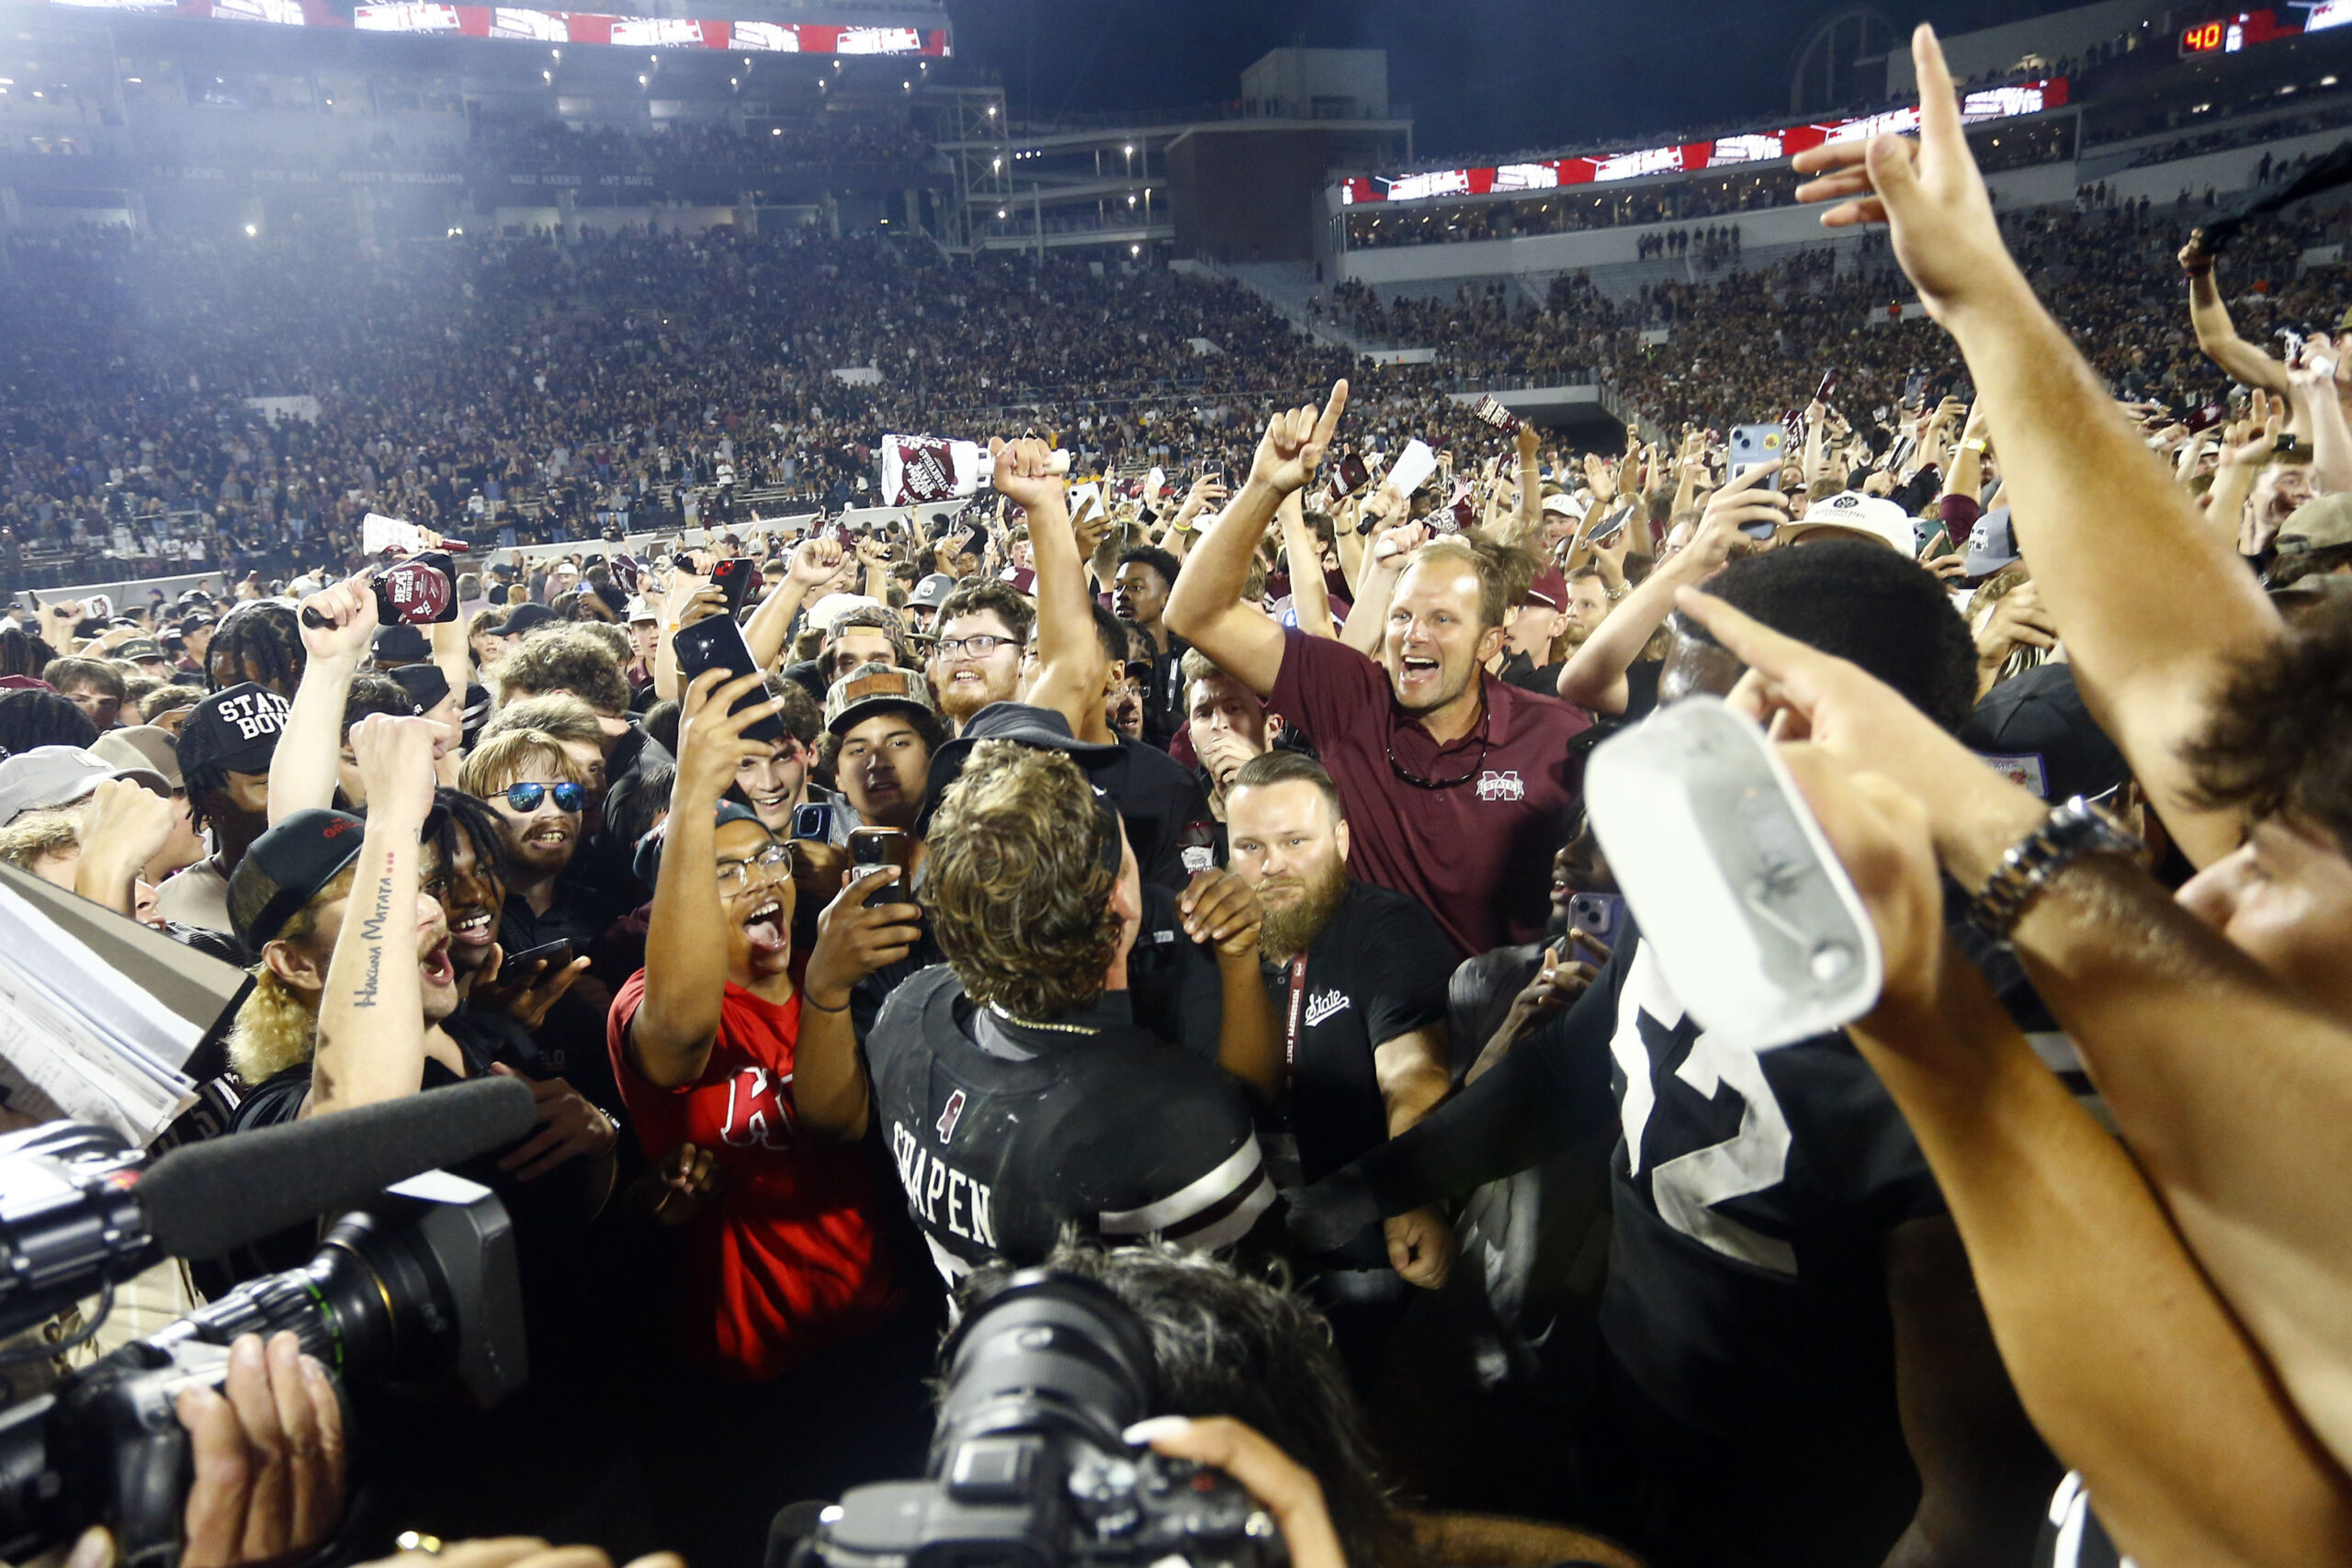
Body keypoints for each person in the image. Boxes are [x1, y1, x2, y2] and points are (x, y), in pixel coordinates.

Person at [1293, 541, 2052, 1568]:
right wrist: (1372, 1189)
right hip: (1626, 1416)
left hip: (1794, 1518)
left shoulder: (1983, 1032)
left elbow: (1975, 1511)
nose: (1655, 748)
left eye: (1689, 722)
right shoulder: (1725, 864)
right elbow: (1570, 1066)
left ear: (1792, 724)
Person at [607, 666, 931, 1568]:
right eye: (723, 871)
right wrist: (694, 792)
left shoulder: (840, 970)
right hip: (749, 1375)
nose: (757, 880)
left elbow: (844, 1128)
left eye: (763, 859)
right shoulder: (650, 1005)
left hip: (880, 1334)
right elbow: (673, 1033)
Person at [1166, 385, 1593, 958]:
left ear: (1492, 642)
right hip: (1368, 1030)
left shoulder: (1556, 738)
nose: (1414, 634)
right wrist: (1265, 489)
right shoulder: (1349, 696)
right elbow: (1195, 613)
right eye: (1401, 616)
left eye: (1443, 618)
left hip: (1507, 1028)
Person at [864, 741, 1278, 1282]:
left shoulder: (905, 1010)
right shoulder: (1173, 1122)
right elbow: (1241, 1331)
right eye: (1131, 864)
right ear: (1122, 904)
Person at [1224, 751, 1455, 1295]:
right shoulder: (1219, 941)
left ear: (1343, 841)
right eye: (1250, 847)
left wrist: (1411, 1192)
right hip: (1235, 1238)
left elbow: (1413, 1075)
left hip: (1355, 1240)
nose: (1272, 865)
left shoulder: (1387, 929)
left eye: (1295, 841)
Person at [157, 682, 292, 939]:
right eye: (267, 783)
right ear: (209, 800)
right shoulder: (170, 912)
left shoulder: (364, 878)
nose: (298, 794)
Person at [928, 581, 1034, 734]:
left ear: (1023, 657)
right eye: (949, 645)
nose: (960, 656)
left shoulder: (1051, 751)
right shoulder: (924, 747)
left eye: (981, 642)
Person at [1113, 545, 1187, 749]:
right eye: (1118, 587)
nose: (1122, 595)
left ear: (1166, 598)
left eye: (1136, 587)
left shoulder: (1189, 658)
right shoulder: (1102, 660)